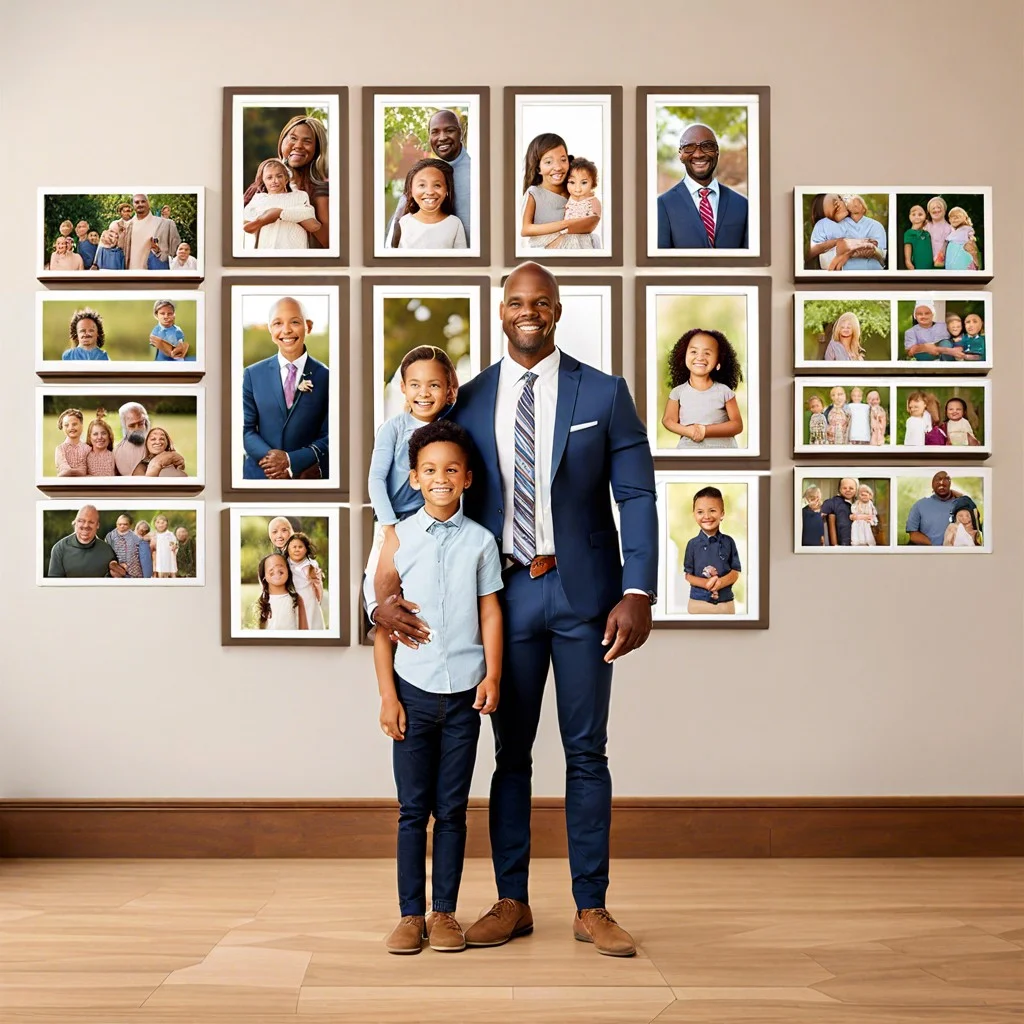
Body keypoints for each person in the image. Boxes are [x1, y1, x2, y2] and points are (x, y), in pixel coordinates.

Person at [372, 261, 658, 958]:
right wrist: (377, 599)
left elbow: (639, 497)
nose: (528, 312)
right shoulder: (465, 401)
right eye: (516, 303)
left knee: (587, 753)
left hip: (587, 598)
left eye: (541, 302)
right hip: (503, 596)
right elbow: (415, 506)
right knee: (511, 756)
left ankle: (592, 905)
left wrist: (638, 590)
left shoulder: (606, 393)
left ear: (557, 311)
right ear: (500, 314)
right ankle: (513, 901)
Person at [374, 420, 503, 954]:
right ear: (414, 477)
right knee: (412, 811)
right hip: (412, 694)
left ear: (467, 478)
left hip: (464, 697)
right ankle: (410, 915)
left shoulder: (481, 541)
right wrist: (387, 695)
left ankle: (444, 912)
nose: (441, 478)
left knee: (452, 810)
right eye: (430, 470)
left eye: (451, 469)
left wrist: (492, 673)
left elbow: (490, 610)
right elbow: (384, 621)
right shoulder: (397, 538)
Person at [364, 346, 459, 616]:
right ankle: (380, 623)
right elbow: (376, 480)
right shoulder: (393, 428)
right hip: (392, 519)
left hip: (430, 522)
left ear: (448, 388)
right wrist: (389, 527)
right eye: (415, 385)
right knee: (379, 584)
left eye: (434, 385)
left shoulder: (451, 430)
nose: (424, 393)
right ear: (404, 388)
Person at [241, 297, 330, 480]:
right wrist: (274, 461)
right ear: (270, 329)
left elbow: (330, 435)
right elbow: (247, 430)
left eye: (295, 322)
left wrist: (291, 461)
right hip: (260, 474)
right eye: (278, 323)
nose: (286, 330)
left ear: (309, 326)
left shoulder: (326, 377)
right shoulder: (252, 374)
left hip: (306, 476)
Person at [386, 109, 471, 247]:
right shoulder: (425, 173)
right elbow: (397, 226)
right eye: (435, 132)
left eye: (449, 130)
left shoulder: (476, 172)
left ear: (462, 132)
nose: (442, 137)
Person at [243, 115, 330, 249]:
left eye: (307, 141)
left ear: (317, 150)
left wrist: (281, 213)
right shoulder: (259, 188)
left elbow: (328, 241)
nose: (298, 146)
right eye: (293, 138)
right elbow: (239, 227)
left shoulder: (319, 190)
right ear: (282, 141)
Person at [657, 124, 748, 249]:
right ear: (680, 155)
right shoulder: (662, 206)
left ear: (717, 152)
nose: (698, 154)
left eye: (707, 146)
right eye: (689, 147)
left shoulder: (743, 205)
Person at [660, 328, 743, 449]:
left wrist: (704, 430)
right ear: (684, 356)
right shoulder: (678, 392)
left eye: (707, 353)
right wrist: (689, 432)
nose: (700, 357)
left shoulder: (725, 391)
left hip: (723, 453)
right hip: (689, 452)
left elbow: (737, 425)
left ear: (718, 361)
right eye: (694, 351)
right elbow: (668, 420)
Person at [519, 134, 600, 250]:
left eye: (563, 160)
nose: (557, 167)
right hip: (547, 252)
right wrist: (565, 225)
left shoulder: (573, 189)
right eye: (548, 162)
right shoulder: (534, 193)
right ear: (538, 168)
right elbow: (526, 229)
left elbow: (591, 215)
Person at [682, 487, 741, 614]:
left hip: (725, 604)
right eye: (700, 512)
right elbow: (688, 575)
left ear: (722, 514)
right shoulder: (692, 544)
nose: (707, 516)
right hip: (697, 603)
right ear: (694, 514)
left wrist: (719, 583)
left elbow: (735, 572)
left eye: (712, 510)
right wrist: (706, 583)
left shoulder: (729, 542)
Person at [242, 157, 320, 250]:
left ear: (286, 179)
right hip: (267, 250)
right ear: (264, 181)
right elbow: (247, 227)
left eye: (279, 176)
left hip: (294, 250)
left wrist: (279, 213)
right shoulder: (259, 199)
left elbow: (314, 226)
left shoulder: (299, 196)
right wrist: (264, 220)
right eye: (269, 177)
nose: (274, 181)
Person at [390, 159, 466, 249]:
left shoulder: (455, 223)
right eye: (422, 185)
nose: (430, 192)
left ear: (447, 190)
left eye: (437, 185)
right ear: (411, 190)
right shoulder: (403, 223)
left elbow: (461, 260)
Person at [47, 505, 126, 578]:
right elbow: (53, 586)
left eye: (91, 522)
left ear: (97, 525)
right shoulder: (59, 549)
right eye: (81, 521)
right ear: (75, 523)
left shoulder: (107, 550)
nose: (85, 526)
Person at [120, 194, 180, 271]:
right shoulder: (126, 226)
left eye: (143, 201)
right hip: (131, 276)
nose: (140, 204)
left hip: (157, 278)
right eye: (137, 202)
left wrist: (160, 253)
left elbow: (177, 253)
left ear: (149, 203)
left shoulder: (166, 224)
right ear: (133, 205)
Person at [906, 471, 966, 545]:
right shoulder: (919, 505)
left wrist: (961, 495)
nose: (941, 482)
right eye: (938, 479)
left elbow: (974, 520)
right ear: (932, 485)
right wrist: (934, 547)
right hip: (928, 553)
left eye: (946, 479)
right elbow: (913, 535)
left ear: (950, 483)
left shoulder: (962, 504)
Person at [554, 157, 601, 250]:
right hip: (566, 238)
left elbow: (595, 219)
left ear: (593, 183)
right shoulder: (567, 199)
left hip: (583, 239)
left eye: (583, 183)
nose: (577, 188)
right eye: (572, 182)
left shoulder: (592, 201)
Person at [253, 553, 308, 630]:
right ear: (264, 576)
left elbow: (304, 629)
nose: (276, 569)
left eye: (280, 567)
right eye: (271, 570)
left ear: (288, 571)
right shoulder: (263, 601)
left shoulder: (296, 599)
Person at [286, 532, 325, 631]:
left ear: (306, 549)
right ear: (288, 549)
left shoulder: (311, 564)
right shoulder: (285, 563)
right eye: (294, 547)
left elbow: (317, 583)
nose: (297, 549)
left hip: (308, 596)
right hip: (292, 596)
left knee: (311, 618)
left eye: (300, 547)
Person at [106, 514, 145, 578]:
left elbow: (140, 554)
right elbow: (107, 552)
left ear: (129, 525)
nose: (122, 526)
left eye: (125, 524)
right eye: (120, 524)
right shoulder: (110, 536)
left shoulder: (135, 537)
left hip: (132, 568)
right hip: (116, 566)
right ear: (116, 524)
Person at [821, 477, 857, 546]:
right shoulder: (832, 502)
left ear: (856, 490)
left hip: (859, 543)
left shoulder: (859, 503)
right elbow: (819, 515)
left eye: (851, 488)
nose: (848, 490)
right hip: (843, 544)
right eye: (844, 488)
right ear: (840, 489)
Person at [54, 408, 89, 477]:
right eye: (66, 425)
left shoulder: (88, 448)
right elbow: (65, 471)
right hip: (65, 486)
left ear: (81, 425)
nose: (71, 428)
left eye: (74, 424)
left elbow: (88, 471)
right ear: (62, 427)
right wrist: (80, 471)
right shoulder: (60, 449)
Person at [85, 411, 116, 476]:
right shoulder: (84, 456)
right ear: (89, 437)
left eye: (103, 433)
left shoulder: (114, 456)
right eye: (95, 434)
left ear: (109, 436)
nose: (99, 437)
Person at [903, 204, 933, 270]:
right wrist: (908, 261)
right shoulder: (909, 233)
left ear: (925, 216)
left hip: (932, 268)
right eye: (913, 214)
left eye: (920, 214)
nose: (917, 217)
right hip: (918, 268)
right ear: (909, 217)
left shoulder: (927, 232)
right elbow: (907, 247)